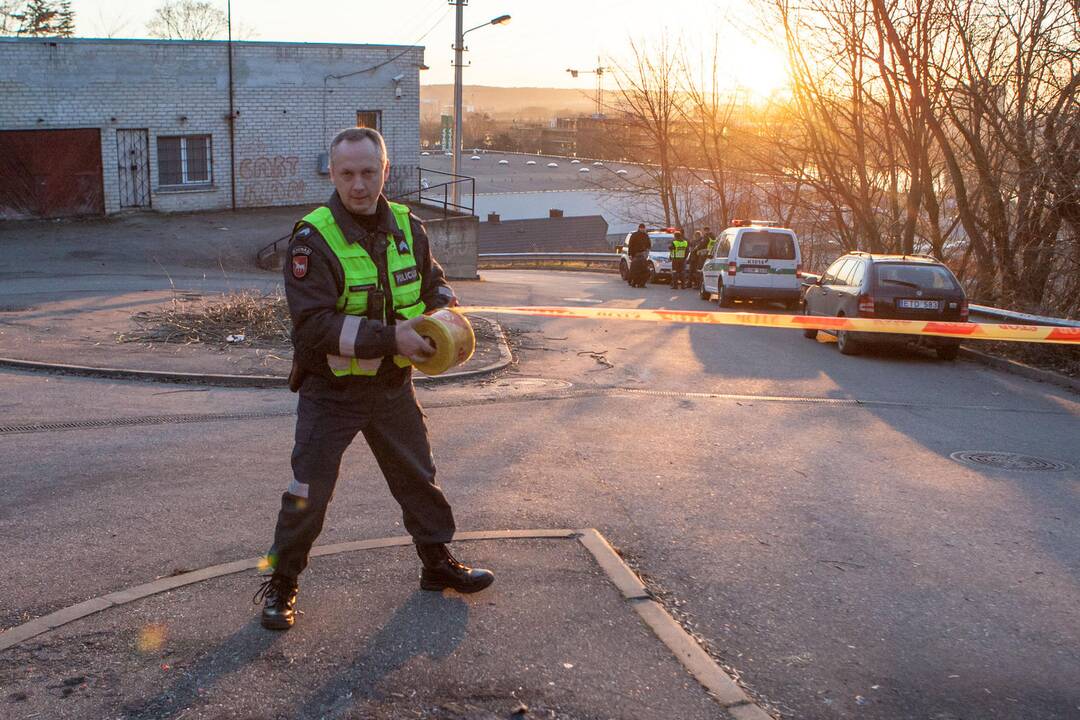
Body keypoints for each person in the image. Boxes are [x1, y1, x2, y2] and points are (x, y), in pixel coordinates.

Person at [256, 127, 494, 631]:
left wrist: (446, 307)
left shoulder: (410, 226)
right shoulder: (311, 240)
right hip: (331, 393)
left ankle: (436, 564)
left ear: (386, 171)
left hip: (391, 388)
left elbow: (434, 282)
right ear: (333, 173)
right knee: (307, 492)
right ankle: (281, 582)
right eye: (347, 174)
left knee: (418, 479)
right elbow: (313, 327)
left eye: (368, 172)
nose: (359, 185)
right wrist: (393, 339)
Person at [627, 223, 651, 288]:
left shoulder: (645, 235)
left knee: (641, 270)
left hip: (641, 254)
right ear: (639, 228)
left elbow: (649, 245)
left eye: (644, 228)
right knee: (636, 270)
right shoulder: (636, 235)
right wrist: (630, 254)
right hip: (636, 255)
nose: (643, 229)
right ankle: (635, 282)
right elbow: (630, 245)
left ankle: (638, 283)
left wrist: (646, 252)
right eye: (642, 228)